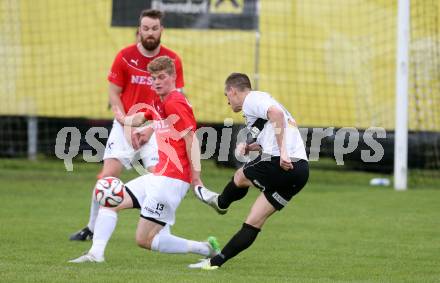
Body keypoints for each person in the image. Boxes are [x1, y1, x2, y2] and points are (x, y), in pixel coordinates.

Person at [69, 56, 220, 263]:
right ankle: (96, 254)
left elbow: (191, 140)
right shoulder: (160, 100)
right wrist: (125, 121)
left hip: (172, 181)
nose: (156, 82)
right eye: (153, 78)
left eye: (162, 77)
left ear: (173, 77)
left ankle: (205, 249)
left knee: (145, 239)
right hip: (158, 176)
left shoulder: (176, 102)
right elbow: (143, 117)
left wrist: (196, 179)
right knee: (110, 198)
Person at [70, 9, 185, 241]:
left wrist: (150, 128)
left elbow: (175, 98)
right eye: (146, 28)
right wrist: (124, 123)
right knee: (107, 177)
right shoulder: (124, 56)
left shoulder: (172, 60)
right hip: (124, 127)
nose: (150, 33)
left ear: (162, 30)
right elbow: (114, 92)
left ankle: (162, 230)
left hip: (154, 129)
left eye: (154, 28)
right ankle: (91, 228)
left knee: (158, 178)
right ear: (139, 30)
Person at [189, 73, 309, 269]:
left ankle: (221, 203)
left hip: (280, 161)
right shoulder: (261, 106)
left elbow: (276, 114)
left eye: (226, 96)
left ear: (233, 91)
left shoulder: (252, 99)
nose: (228, 102)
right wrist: (251, 147)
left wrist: (284, 153)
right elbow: (276, 127)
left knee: (240, 176)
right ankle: (214, 263)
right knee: (254, 221)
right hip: (300, 171)